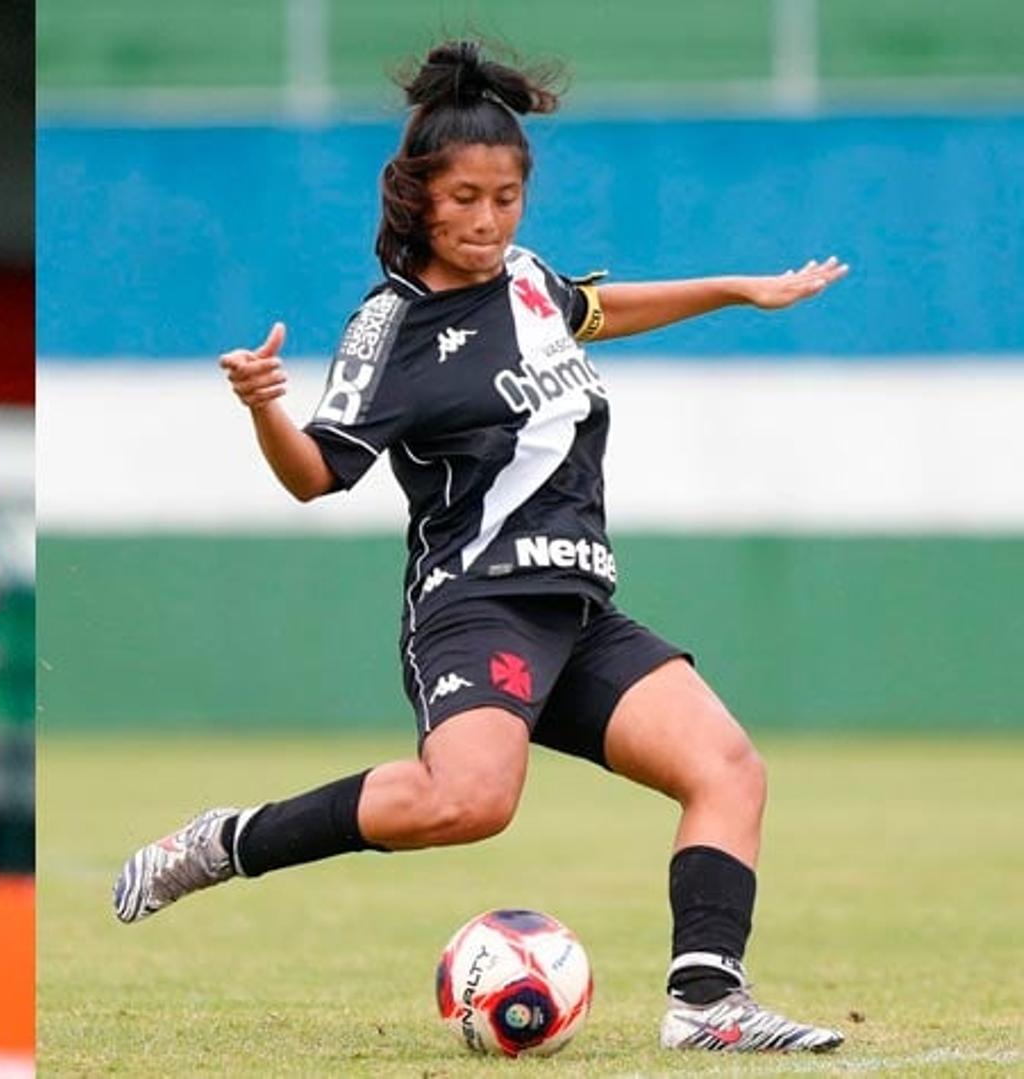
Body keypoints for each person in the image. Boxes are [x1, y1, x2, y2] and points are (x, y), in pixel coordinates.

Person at [112, 40, 849, 1055]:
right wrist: (262, 410)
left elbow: (600, 309)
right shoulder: (393, 325)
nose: (488, 219)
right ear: (419, 197)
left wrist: (737, 289)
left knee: (728, 765)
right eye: (465, 198)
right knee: (468, 800)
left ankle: (707, 1003)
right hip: (478, 603)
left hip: (577, 608)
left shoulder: (532, 282)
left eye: (506, 197)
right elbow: (318, 471)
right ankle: (224, 840)